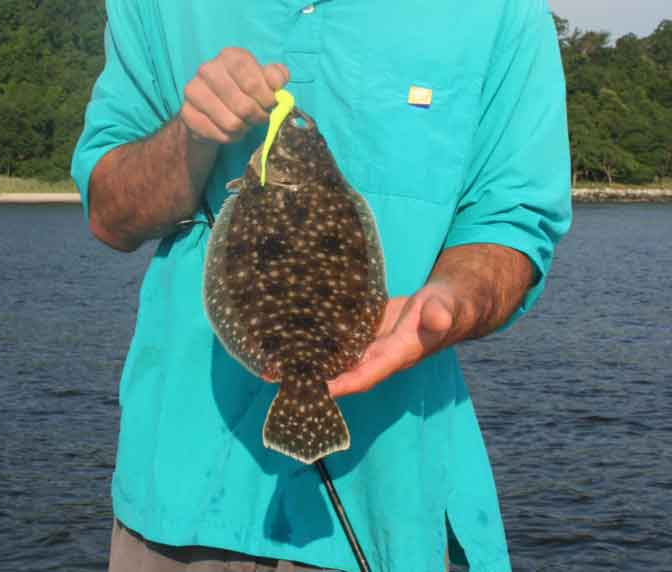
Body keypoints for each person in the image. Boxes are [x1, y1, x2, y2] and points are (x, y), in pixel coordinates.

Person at [71, 0, 571, 570]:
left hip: (395, 500)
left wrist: (452, 302)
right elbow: (110, 214)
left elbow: (513, 220)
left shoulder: (502, 12)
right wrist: (191, 135)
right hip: (179, 494)